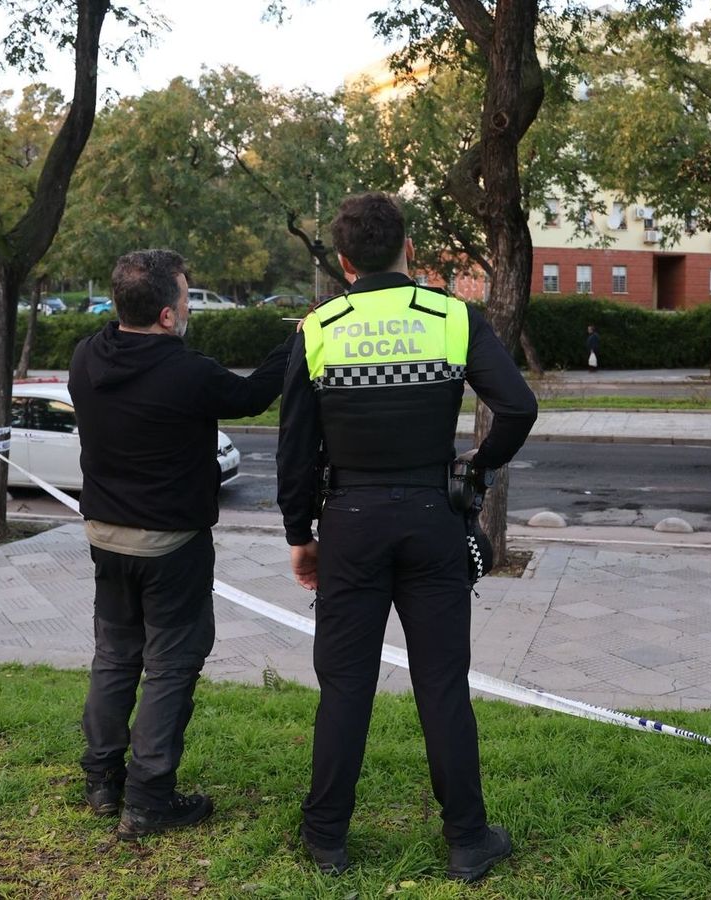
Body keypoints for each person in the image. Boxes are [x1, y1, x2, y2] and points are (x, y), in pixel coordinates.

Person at [277, 192, 538, 881]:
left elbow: (294, 446)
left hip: (350, 522)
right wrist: (476, 467)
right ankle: (467, 840)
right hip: (432, 519)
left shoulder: (321, 326)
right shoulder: (452, 318)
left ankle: (326, 839)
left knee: (345, 687)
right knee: (443, 685)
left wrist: (299, 533)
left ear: (342, 260)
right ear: (410, 249)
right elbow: (517, 405)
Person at [69, 248, 292, 840]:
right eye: (187, 299)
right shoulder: (188, 372)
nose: (189, 308)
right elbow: (250, 398)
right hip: (171, 548)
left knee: (115, 656)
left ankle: (101, 782)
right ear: (168, 316)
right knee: (169, 667)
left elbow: (119, 333)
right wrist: (296, 345)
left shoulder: (87, 355)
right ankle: (148, 800)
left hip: (105, 539)